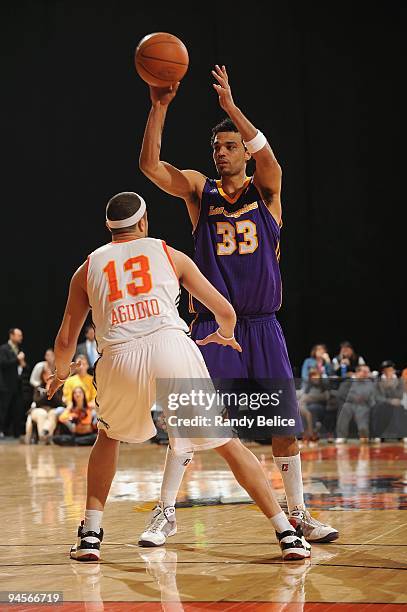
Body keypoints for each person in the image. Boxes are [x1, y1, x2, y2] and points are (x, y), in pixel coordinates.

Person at [47, 192, 311, 562]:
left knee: (108, 437)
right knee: (226, 442)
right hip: (171, 346)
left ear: (109, 228)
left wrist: (60, 375)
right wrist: (225, 334)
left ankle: (90, 535)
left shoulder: (87, 268)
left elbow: (64, 340)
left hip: (121, 355)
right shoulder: (169, 254)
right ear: (143, 223)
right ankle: (287, 533)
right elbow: (224, 310)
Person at [139, 64, 338, 543]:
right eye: (216, 147)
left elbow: (271, 160)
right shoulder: (198, 191)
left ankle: (298, 514)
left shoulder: (266, 191)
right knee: (189, 422)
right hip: (211, 326)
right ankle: (165, 511)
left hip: (263, 325)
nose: (221, 153)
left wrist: (232, 110)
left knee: (283, 428)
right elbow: (150, 166)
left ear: (243, 153)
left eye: (230, 146)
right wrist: (158, 108)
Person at [335, 364, 375, 443]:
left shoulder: (370, 383)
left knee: (363, 415)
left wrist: (365, 399)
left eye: (367, 372)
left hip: (363, 404)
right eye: (364, 372)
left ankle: (364, 434)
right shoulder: (348, 382)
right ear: (357, 372)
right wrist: (354, 398)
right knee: (345, 409)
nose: (366, 374)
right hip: (349, 403)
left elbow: (371, 396)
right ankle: (341, 436)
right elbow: (341, 393)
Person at [25, 364, 61, 444]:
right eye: (45, 374)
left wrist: (52, 391)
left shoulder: (57, 387)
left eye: (49, 374)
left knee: (53, 414)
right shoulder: (38, 387)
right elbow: (37, 402)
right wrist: (46, 392)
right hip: (39, 409)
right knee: (42, 414)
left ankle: (46, 435)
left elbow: (59, 403)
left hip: (52, 409)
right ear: (42, 375)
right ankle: (43, 437)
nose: (47, 376)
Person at [0, 328, 26, 438]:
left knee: (17, 409)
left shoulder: (18, 349)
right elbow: (3, 363)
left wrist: (23, 364)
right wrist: (17, 359)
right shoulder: (4, 348)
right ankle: (1, 430)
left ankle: (16, 432)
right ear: (11, 335)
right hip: (6, 385)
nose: (21, 337)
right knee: (4, 409)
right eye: (19, 335)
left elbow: (19, 366)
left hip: (17, 384)